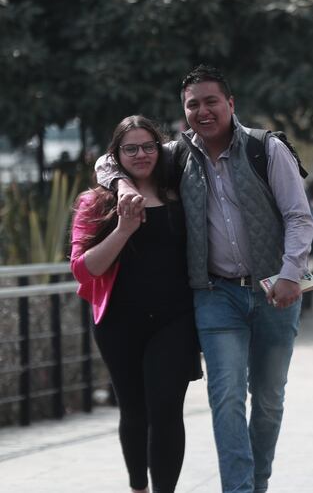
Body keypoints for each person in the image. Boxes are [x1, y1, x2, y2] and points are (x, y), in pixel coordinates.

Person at [99, 66, 313, 493]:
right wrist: (122, 185)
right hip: (216, 295)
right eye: (192, 104)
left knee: (268, 402)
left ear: (230, 104)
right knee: (227, 398)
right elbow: (109, 157)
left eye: (211, 101)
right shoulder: (178, 154)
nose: (203, 111)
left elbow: (298, 216)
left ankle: (257, 482)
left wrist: (291, 273)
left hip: (275, 291)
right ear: (184, 111)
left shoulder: (264, 148)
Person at [71, 115, 201, 493]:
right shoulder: (94, 202)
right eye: (131, 148)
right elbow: (84, 270)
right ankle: (137, 487)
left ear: (160, 149)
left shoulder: (182, 193)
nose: (141, 154)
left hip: (175, 320)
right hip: (118, 322)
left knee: (165, 411)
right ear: (117, 155)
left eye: (149, 146)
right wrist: (124, 229)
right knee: (134, 409)